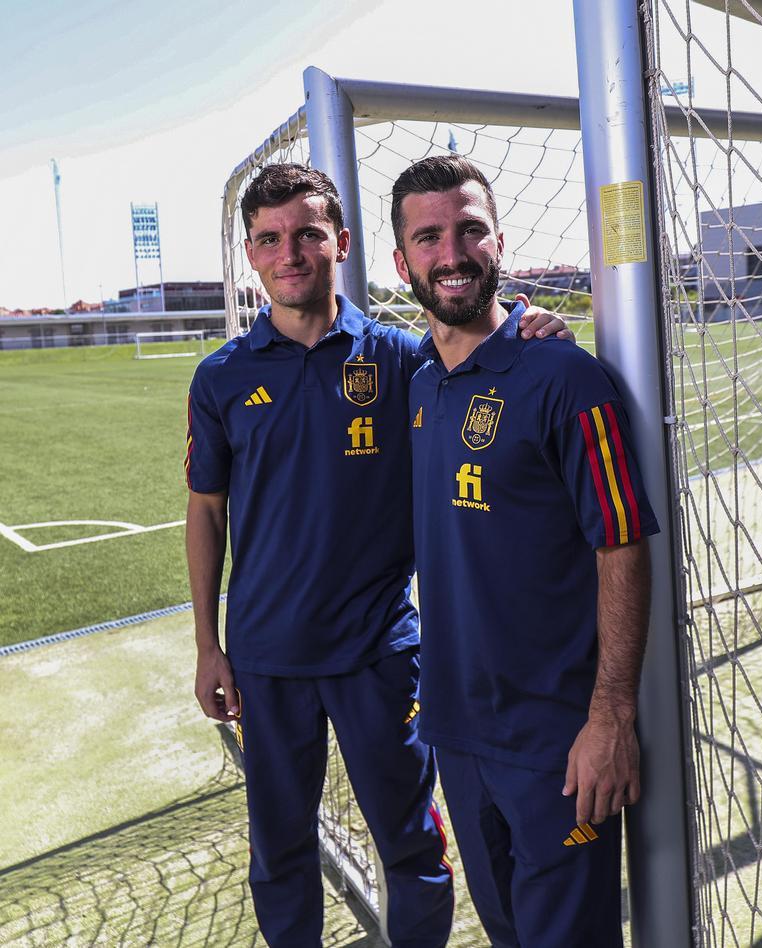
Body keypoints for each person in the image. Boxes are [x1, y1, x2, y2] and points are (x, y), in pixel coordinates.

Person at [184, 163, 572, 947]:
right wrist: (207, 645)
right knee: (281, 849)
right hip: (266, 658)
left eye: (307, 234)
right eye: (269, 239)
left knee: (411, 844)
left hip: (380, 655)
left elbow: (479, 343)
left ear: (343, 244)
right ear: (251, 255)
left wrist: (533, 321)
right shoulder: (220, 377)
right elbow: (206, 512)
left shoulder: (402, 360)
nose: (289, 252)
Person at [392, 154, 658, 947]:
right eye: (429, 237)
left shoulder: (567, 379)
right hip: (456, 732)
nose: (452, 253)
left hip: (556, 743)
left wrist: (610, 715)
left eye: (469, 230)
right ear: (403, 257)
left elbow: (622, 545)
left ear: (499, 241)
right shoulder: (416, 384)